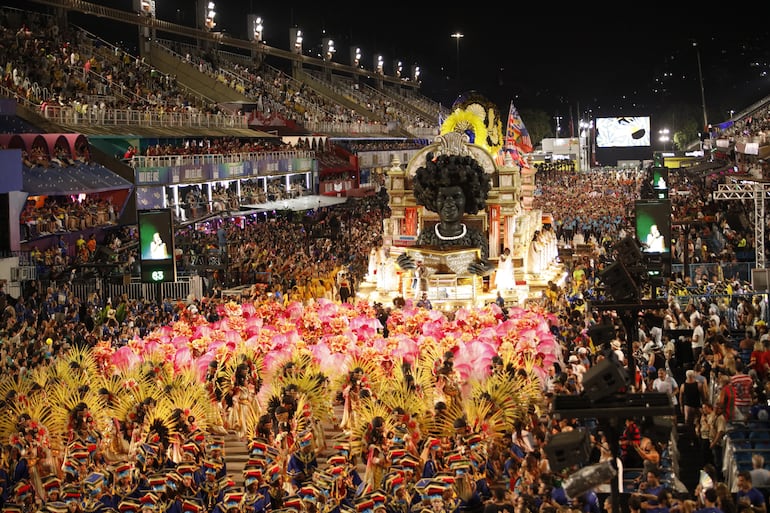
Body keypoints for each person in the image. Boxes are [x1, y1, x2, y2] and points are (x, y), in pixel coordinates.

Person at [397, 132, 494, 276]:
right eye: (443, 197)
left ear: (467, 199)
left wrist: (488, 269)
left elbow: (485, 264)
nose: (449, 203)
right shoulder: (426, 235)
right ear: (433, 200)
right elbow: (417, 264)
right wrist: (404, 263)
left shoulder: (475, 236)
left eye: (456, 197)